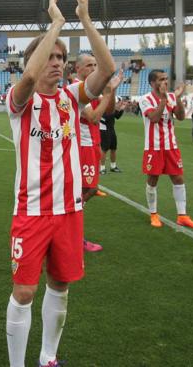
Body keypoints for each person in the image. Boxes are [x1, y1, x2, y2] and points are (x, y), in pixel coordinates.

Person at [5, 0, 115, 367]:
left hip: (68, 211)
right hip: (32, 211)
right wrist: (54, 24)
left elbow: (108, 69)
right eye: (49, 56)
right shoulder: (19, 100)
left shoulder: (71, 96)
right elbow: (30, 79)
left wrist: (84, 18)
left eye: (60, 57)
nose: (57, 62)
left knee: (61, 285)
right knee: (23, 292)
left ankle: (47, 357)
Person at [139, 70, 193, 229]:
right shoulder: (145, 99)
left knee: (178, 179)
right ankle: (153, 214)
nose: (165, 82)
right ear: (153, 83)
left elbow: (180, 117)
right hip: (153, 147)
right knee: (153, 180)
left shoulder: (172, 97)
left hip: (171, 146)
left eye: (166, 79)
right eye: (162, 79)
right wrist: (163, 100)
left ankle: (182, 216)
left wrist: (179, 98)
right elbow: (154, 118)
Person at [74, 57, 123, 252]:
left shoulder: (92, 90)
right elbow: (94, 117)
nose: (94, 68)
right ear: (78, 69)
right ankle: (72, 231)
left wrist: (112, 89)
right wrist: (107, 92)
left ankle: (69, 222)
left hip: (91, 145)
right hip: (81, 147)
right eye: (89, 65)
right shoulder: (77, 88)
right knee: (85, 192)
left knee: (85, 192)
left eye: (96, 65)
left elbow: (109, 110)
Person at [100, 97, 125, 174]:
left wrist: (122, 109)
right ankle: (102, 168)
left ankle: (113, 166)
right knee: (104, 149)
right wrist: (116, 109)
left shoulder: (111, 109)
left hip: (111, 129)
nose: (116, 104)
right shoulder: (103, 108)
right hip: (104, 130)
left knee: (113, 148)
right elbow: (104, 119)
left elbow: (117, 116)